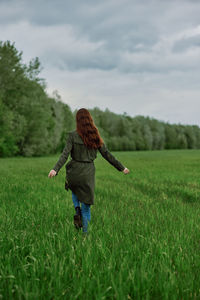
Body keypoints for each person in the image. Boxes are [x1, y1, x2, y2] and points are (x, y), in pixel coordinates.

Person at [48, 108, 130, 234]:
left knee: (74, 188)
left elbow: (65, 155)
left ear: (78, 121)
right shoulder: (95, 137)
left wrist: (55, 169)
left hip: (73, 171)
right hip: (87, 173)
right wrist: (122, 167)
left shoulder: (72, 135)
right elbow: (107, 155)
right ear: (90, 120)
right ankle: (85, 236)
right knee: (86, 209)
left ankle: (76, 209)